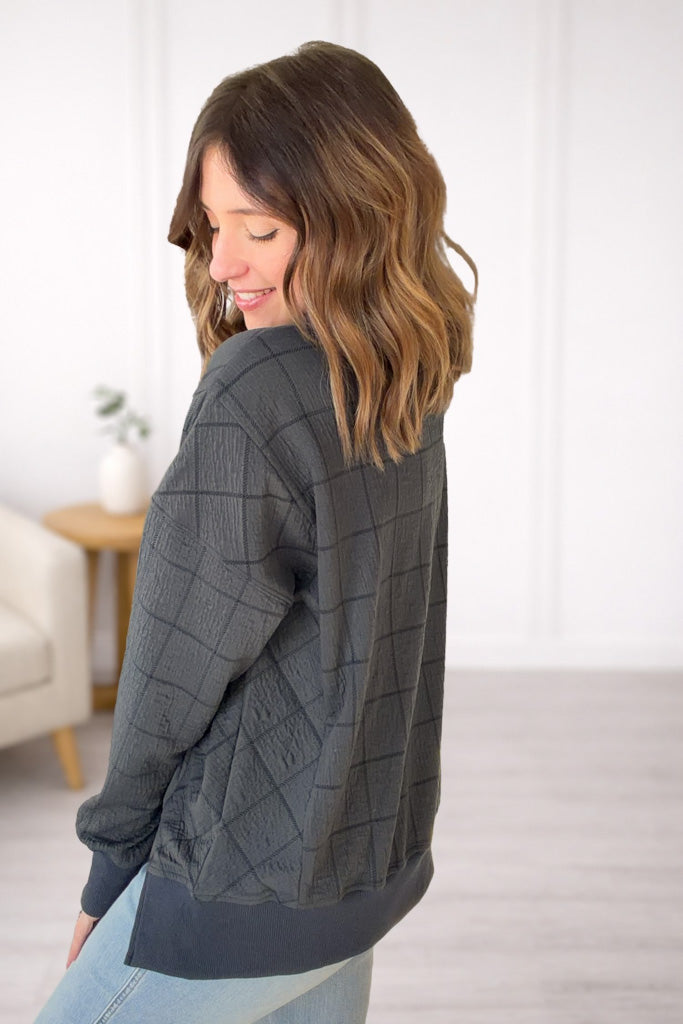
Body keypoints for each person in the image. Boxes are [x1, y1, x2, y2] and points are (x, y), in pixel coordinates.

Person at [35, 39, 476, 1024]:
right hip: (355, 875)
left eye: (260, 229)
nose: (222, 263)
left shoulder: (258, 388)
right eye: (213, 224)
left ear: (352, 219)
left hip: (234, 881)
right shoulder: (409, 372)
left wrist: (108, 880)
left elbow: (167, 674)